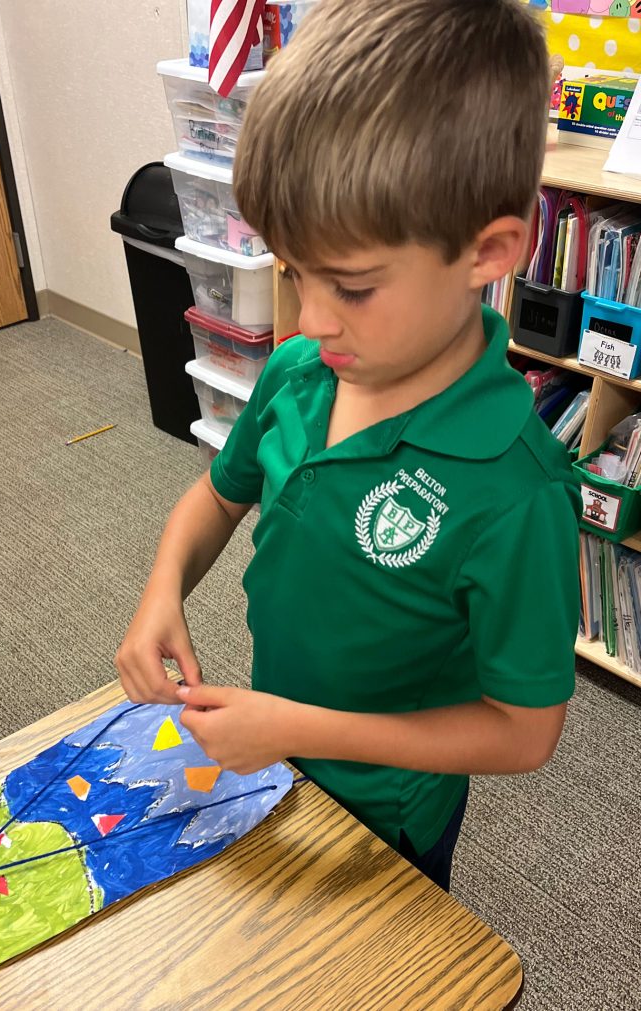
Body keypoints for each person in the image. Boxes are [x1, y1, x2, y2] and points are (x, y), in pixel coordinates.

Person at [115, 0, 581, 891]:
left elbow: (524, 730)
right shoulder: (299, 374)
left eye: (355, 287)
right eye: (295, 272)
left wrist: (296, 728)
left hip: (385, 814)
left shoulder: (516, 492)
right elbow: (219, 494)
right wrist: (162, 589)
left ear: (489, 250)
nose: (313, 319)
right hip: (274, 757)